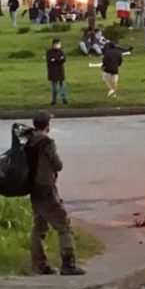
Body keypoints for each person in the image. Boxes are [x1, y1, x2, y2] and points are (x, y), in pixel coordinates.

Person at [25, 112, 86, 275]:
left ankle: (40, 264)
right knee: (63, 225)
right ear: (47, 124)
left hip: (34, 189)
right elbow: (58, 165)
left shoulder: (28, 140)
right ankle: (68, 264)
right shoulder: (47, 141)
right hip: (46, 187)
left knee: (39, 228)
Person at [45, 39, 68, 106]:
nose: (59, 45)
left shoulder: (60, 51)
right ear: (54, 44)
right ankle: (54, 100)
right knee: (54, 87)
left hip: (60, 71)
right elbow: (50, 61)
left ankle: (64, 99)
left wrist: (55, 60)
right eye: (58, 44)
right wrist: (58, 59)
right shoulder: (49, 52)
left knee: (62, 86)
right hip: (53, 71)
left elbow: (63, 59)